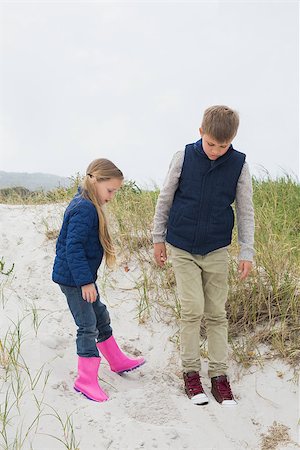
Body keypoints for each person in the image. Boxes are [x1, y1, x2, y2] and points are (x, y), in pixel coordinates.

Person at [153, 105, 254, 406]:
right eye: (211, 143)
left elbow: (246, 211)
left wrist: (246, 251)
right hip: (182, 246)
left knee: (216, 313)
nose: (216, 150)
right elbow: (165, 196)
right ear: (201, 133)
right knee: (192, 309)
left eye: (223, 146)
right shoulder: (183, 156)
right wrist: (158, 238)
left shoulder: (239, 164)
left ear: (232, 140)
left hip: (217, 249)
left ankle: (219, 377)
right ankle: (191, 373)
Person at [52, 158, 145, 403]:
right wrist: (85, 282)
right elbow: (73, 248)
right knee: (88, 324)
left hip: (81, 277)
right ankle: (85, 380)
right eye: (110, 190)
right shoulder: (84, 208)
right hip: (73, 279)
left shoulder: (87, 202)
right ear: (95, 181)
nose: (112, 196)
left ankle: (116, 360)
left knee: (100, 315)